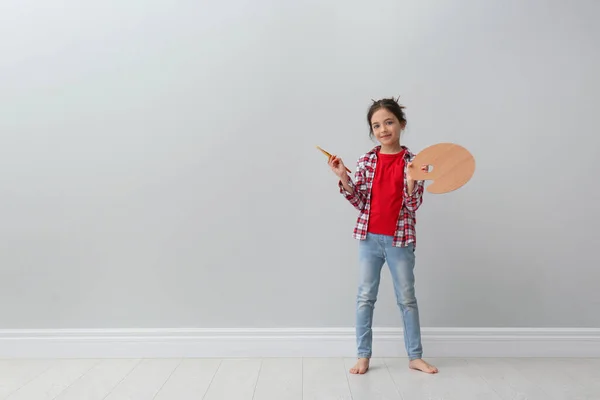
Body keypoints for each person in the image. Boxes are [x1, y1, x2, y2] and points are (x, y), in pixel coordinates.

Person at [328, 97, 438, 375]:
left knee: (407, 299)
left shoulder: (415, 162)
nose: (383, 129)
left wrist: (412, 181)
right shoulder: (366, 160)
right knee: (365, 297)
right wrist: (343, 176)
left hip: (400, 241)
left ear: (401, 124)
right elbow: (360, 200)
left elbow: (413, 206)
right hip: (369, 239)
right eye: (376, 125)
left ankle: (415, 356)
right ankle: (363, 356)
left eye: (388, 122)